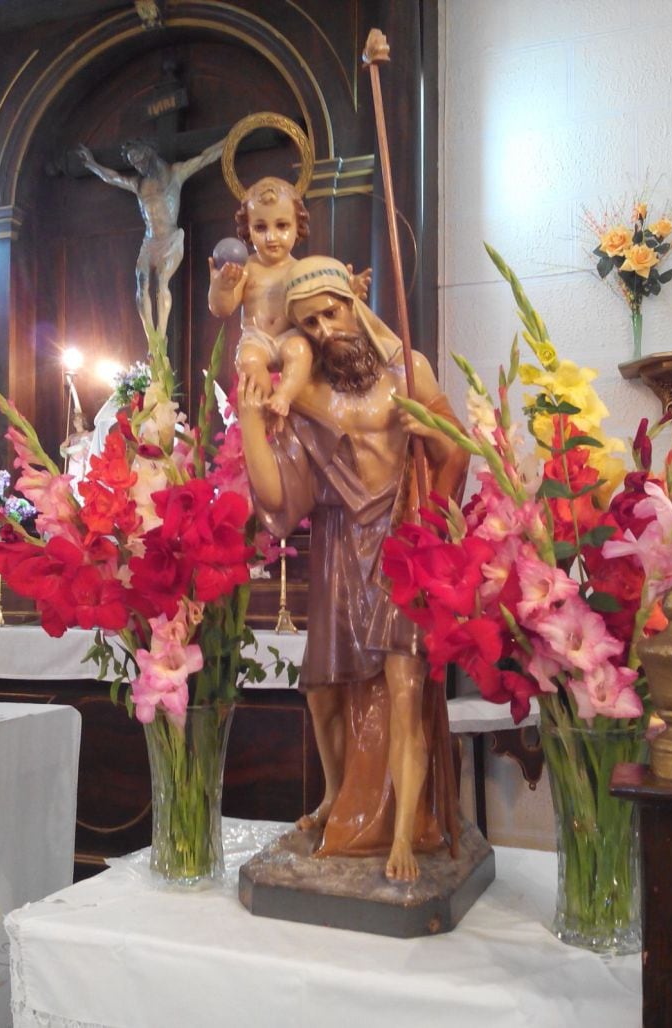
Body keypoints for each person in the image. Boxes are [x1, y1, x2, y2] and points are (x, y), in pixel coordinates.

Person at [237, 256, 469, 881]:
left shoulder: (408, 369)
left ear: (355, 304)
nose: (326, 328)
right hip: (339, 545)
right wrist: (252, 412)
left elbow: (455, 453)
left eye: (332, 311)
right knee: (322, 690)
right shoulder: (307, 391)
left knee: (403, 692)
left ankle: (404, 826)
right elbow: (279, 499)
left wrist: (430, 491)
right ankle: (338, 796)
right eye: (310, 322)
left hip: (398, 539)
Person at [208, 177, 371, 417]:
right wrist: (221, 287)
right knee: (248, 360)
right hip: (257, 336)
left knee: (300, 351)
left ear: (298, 226)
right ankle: (263, 413)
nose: (271, 237)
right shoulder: (246, 269)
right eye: (261, 227)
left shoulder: (302, 270)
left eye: (282, 226)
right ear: (248, 230)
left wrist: (350, 289)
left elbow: (329, 297)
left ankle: (284, 396)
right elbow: (222, 309)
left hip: (289, 335)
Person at [77, 137, 224, 339]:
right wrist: (92, 164)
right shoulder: (138, 184)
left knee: (162, 281)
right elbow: (112, 177)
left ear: (149, 153)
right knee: (141, 280)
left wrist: (234, 136)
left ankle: (160, 337)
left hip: (171, 239)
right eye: (133, 163)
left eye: (139, 159)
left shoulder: (176, 173)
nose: (137, 166)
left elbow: (206, 157)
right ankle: (151, 338)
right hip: (150, 241)